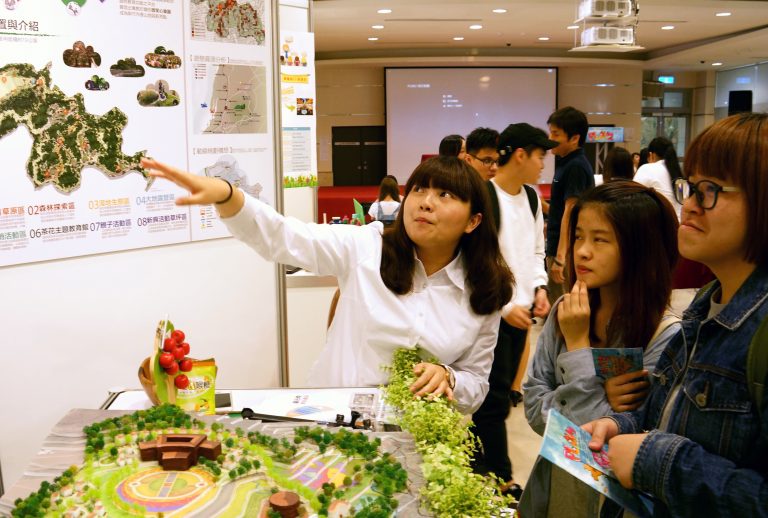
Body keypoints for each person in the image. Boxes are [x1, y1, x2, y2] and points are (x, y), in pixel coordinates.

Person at [141, 155, 513, 414]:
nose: (425, 203)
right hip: (334, 417)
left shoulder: (484, 291)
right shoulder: (366, 247)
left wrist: (449, 377)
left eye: (445, 195)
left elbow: (477, 385)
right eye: (418, 190)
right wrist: (229, 196)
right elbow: (284, 237)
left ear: (473, 221)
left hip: (416, 434)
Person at [584, 113, 768, 517]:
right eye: (690, 186)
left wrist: (658, 461)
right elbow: (669, 414)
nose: (690, 205)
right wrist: (622, 426)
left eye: (711, 190)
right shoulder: (705, 305)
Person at [520, 181, 681, 517]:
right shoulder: (566, 311)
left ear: (639, 248)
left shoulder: (666, 335)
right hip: (557, 487)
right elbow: (534, 408)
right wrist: (603, 397)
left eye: (600, 239)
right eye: (578, 236)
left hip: (614, 503)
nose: (581, 251)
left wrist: (579, 347)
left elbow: (611, 440)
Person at [471, 123, 555, 497]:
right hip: (491, 314)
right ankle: (501, 478)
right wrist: (504, 307)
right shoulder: (485, 196)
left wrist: (539, 288)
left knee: (500, 394)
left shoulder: (532, 198)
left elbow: (536, 250)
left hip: (521, 313)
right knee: (492, 400)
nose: (542, 164)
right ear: (520, 155)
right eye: (540, 156)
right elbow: (476, 261)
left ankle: (478, 464)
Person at [546, 106, 595, 304]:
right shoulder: (566, 162)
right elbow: (560, 208)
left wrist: (560, 258)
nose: (550, 138)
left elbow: (571, 212)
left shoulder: (575, 166)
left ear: (574, 138)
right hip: (558, 246)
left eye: (555, 134)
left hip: (565, 252)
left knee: (563, 305)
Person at [634, 136, 683, 219]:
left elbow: (632, 197)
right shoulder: (680, 177)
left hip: (658, 223)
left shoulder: (647, 168)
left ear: (651, 155)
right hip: (679, 223)